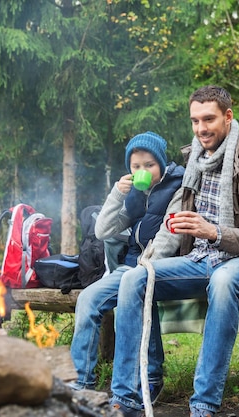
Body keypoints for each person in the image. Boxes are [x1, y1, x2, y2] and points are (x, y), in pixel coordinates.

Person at [108, 85, 239, 417]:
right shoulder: (193, 160)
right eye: (195, 121)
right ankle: (126, 397)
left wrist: (212, 231)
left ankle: (203, 404)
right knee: (134, 280)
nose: (201, 129)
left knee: (224, 281)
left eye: (209, 119)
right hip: (196, 259)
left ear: (228, 117)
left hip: (238, 261)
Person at [70, 131, 185, 401]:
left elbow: (170, 237)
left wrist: (142, 268)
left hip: (163, 267)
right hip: (130, 266)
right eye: (136, 166)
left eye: (149, 165)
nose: (142, 170)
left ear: (161, 163)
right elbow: (103, 230)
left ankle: (151, 377)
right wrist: (116, 194)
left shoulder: (177, 185)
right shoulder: (134, 193)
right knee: (87, 299)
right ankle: (81, 382)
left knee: (133, 296)